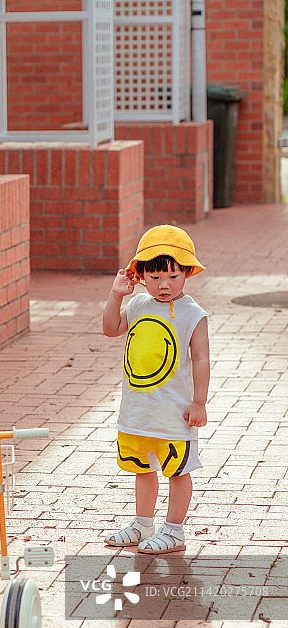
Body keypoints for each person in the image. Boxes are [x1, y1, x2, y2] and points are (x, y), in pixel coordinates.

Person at [102, 225, 210, 554]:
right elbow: (110, 329)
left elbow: (202, 358)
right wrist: (117, 293)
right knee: (142, 469)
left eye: (173, 277)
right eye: (155, 277)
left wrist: (199, 402)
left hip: (174, 414)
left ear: (187, 273)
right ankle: (142, 523)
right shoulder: (136, 305)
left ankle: (174, 530)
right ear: (140, 275)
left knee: (178, 471)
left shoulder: (193, 314)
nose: (164, 285)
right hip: (138, 413)